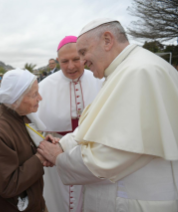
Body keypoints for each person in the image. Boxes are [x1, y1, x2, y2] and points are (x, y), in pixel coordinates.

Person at [38, 18, 178, 212]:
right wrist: (62, 144)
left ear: (107, 40)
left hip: (137, 198)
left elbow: (112, 153)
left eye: (83, 52)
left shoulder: (139, 72)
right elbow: (98, 126)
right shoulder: (124, 70)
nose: (82, 61)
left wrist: (60, 158)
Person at [36, 36, 103, 212]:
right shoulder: (44, 86)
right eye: (64, 61)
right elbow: (34, 127)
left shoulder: (100, 80)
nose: (71, 66)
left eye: (76, 59)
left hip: (93, 153)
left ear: (84, 56)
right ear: (58, 61)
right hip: (57, 155)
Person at [0, 69, 48, 212]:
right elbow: (8, 185)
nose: (40, 98)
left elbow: (23, 152)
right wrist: (40, 158)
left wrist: (44, 146)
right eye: (34, 94)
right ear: (16, 99)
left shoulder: (18, 116)